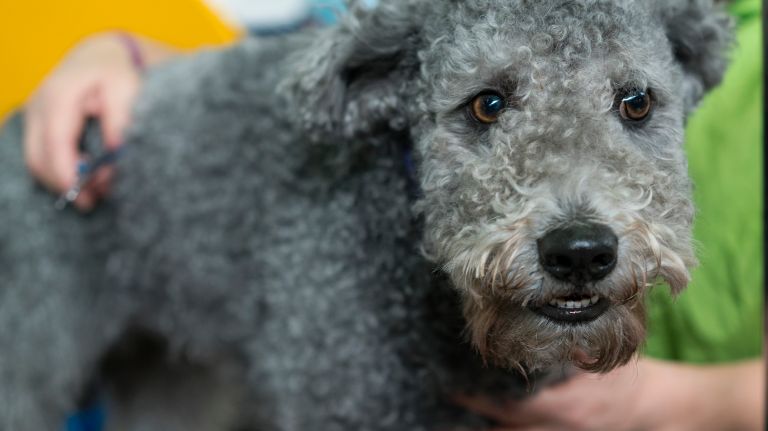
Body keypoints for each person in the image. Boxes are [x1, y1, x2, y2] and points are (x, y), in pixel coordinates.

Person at [11, 0, 764, 429]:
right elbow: (299, 82)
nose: (580, 224)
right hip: (69, 199)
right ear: (387, 96)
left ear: (685, 80)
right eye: (490, 106)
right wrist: (116, 47)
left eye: (633, 105)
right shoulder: (378, 77)